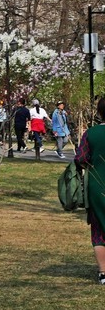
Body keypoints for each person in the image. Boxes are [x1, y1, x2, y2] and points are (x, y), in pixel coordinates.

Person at [73, 97, 105, 285]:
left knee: (99, 231)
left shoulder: (90, 134)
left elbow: (81, 158)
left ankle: (103, 273)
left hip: (97, 185)